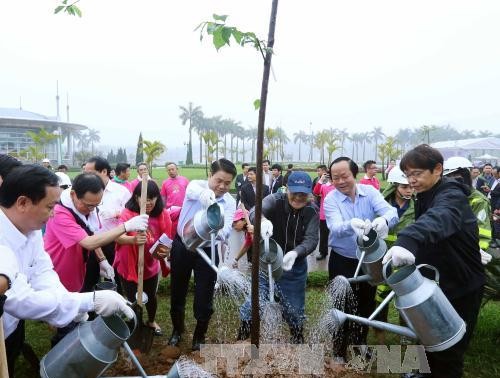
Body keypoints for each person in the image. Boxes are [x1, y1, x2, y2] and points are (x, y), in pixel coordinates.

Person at [0, 165, 134, 375]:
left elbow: (43, 272)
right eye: (49, 206)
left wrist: (70, 304)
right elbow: (19, 300)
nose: (53, 214)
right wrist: (88, 301)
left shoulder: (31, 229)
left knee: (10, 356)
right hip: (6, 318)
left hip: (9, 327)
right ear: (23, 203)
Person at [382, 144, 485, 378]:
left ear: (437, 169)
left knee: (449, 349)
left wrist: (408, 239)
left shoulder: (451, 194)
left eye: (416, 174)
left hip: (461, 285)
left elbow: (440, 218)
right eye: (408, 175)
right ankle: (422, 372)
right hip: (438, 282)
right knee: (428, 338)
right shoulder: (425, 195)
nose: (412, 180)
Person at [323, 157, 398, 361]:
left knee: (366, 302)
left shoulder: (371, 193)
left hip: (369, 260)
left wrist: (384, 220)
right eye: (335, 177)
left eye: (344, 176)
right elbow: (335, 227)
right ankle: (339, 350)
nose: (340, 181)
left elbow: (392, 212)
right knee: (341, 304)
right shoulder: (331, 199)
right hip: (343, 259)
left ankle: (359, 345)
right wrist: (351, 224)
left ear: (354, 174)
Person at [238, 171, 319, 343]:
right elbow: (255, 211)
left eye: (303, 194)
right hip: (267, 261)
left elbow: (312, 239)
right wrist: (262, 220)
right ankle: (242, 338)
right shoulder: (275, 200)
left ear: (309, 193)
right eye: (294, 192)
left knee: (294, 308)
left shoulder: (312, 210)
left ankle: (297, 339)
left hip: (293, 266)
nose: (298, 197)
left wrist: (297, 252)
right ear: (286, 189)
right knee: (253, 303)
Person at [168, 158, 236, 351]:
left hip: (207, 250)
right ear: (210, 176)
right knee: (177, 289)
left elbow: (227, 230)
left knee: (204, 294)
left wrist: (217, 227)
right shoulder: (196, 186)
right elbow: (192, 190)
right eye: (218, 181)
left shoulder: (229, 202)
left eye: (227, 183)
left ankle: (199, 336)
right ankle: (177, 330)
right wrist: (205, 195)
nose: (222, 186)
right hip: (182, 246)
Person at [44, 173, 148, 293]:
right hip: (59, 269)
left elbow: (92, 232)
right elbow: (88, 242)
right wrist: (127, 226)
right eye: (89, 205)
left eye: (96, 205)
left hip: (78, 266)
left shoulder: (88, 208)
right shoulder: (60, 213)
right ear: (73, 194)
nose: (92, 209)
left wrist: (102, 259)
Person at [115, 180, 173, 336]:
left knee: (151, 296)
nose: (148, 202)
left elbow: (166, 239)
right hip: (129, 265)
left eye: (152, 198)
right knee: (134, 298)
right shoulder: (127, 214)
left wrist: (164, 252)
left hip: (150, 264)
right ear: (136, 198)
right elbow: (118, 237)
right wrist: (133, 240)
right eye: (144, 197)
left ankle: (151, 321)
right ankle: (136, 325)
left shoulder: (162, 215)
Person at [374, 166, 415, 344]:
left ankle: (406, 334)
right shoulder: (381, 206)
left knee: (407, 298)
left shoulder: (418, 206)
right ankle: (379, 333)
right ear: (394, 186)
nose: (409, 190)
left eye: (411, 187)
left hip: (406, 261)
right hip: (383, 260)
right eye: (404, 187)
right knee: (380, 297)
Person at [85, 156, 132, 293]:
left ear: (104, 172)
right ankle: (92, 311)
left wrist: (116, 213)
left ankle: (117, 307)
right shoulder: (85, 191)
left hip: (115, 242)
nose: (86, 177)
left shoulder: (121, 191)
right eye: (85, 173)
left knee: (116, 279)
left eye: (90, 173)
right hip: (92, 241)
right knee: (90, 278)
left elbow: (130, 215)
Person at [443, 156, 493, 255]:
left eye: (455, 176)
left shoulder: (478, 200)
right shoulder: (446, 195)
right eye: (448, 177)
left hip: (468, 252)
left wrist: (476, 252)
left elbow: (483, 232)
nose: (451, 181)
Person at [312, 170, 335, 261]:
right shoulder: (324, 186)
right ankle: (323, 252)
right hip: (324, 215)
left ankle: (338, 252)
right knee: (324, 235)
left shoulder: (338, 187)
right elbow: (316, 192)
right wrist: (321, 180)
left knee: (338, 234)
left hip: (337, 215)